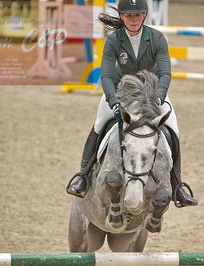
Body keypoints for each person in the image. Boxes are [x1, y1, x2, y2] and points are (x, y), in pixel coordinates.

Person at [66, 0, 197, 208]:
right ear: (122, 17)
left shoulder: (156, 38)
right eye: (129, 16)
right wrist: (114, 102)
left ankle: (177, 185)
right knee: (100, 124)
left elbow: (165, 73)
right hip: (120, 92)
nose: (133, 20)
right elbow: (107, 76)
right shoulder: (113, 40)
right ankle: (82, 175)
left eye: (137, 15)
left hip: (152, 92)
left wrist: (159, 97)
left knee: (174, 130)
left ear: (144, 15)